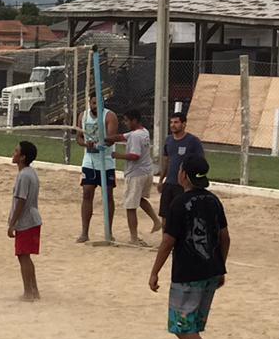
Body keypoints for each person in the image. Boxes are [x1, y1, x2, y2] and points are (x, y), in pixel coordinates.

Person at [148, 156, 230, 339]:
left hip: (188, 273)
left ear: (183, 174)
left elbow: (167, 242)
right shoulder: (213, 200)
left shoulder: (179, 203)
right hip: (211, 270)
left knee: (181, 326)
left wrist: (154, 271)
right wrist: (220, 267)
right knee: (192, 324)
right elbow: (225, 238)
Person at [76, 93, 119, 243]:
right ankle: (84, 232)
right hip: (89, 160)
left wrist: (101, 143)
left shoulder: (110, 116)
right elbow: (79, 138)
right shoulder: (83, 116)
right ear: (90, 102)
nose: (95, 107)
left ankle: (109, 231)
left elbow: (111, 138)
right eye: (93, 103)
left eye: (98, 103)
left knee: (107, 194)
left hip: (106, 161)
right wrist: (86, 144)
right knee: (87, 192)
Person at [114, 108, 161, 244]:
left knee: (130, 206)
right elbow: (122, 136)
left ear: (134, 120)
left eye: (127, 121)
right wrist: (107, 138)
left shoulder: (135, 136)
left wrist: (118, 155)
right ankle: (156, 221)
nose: (125, 123)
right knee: (140, 199)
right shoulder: (143, 132)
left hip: (136, 174)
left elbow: (135, 155)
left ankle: (134, 237)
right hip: (146, 172)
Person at [157, 111, 205, 229]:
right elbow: (166, 161)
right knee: (165, 216)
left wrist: (193, 182)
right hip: (169, 183)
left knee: (182, 216)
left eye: (176, 122)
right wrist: (161, 180)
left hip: (183, 185)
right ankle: (165, 241)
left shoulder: (193, 141)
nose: (173, 125)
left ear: (184, 124)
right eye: (171, 122)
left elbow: (201, 162)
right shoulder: (168, 140)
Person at [8, 140, 42, 302]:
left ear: (22, 157)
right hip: (33, 218)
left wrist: (12, 223)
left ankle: (28, 292)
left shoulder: (23, 176)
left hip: (26, 221)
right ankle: (34, 290)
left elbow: (20, 201)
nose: (13, 153)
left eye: (16, 151)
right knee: (26, 256)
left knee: (23, 257)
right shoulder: (31, 172)